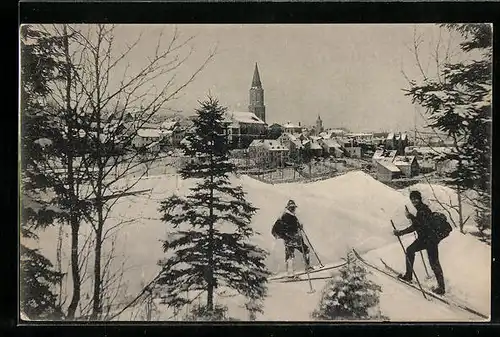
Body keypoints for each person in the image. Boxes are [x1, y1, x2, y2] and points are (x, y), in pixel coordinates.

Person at [393, 190, 446, 295]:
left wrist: (401, 232)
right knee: (410, 251)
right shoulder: (421, 210)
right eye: (412, 199)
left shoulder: (423, 210)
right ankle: (409, 276)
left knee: (434, 263)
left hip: (429, 240)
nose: (414, 201)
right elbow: (419, 223)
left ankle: (441, 288)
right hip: (425, 239)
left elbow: (417, 225)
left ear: (419, 199)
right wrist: (412, 217)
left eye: (416, 198)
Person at [272, 200, 312, 277]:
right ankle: (303, 269)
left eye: (293, 208)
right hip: (293, 240)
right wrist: (285, 236)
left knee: (291, 255)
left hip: (293, 240)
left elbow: (277, 230)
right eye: (291, 208)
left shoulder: (289, 216)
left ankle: (291, 273)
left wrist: (298, 227)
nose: (293, 209)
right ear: (288, 208)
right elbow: (276, 229)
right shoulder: (285, 217)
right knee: (300, 252)